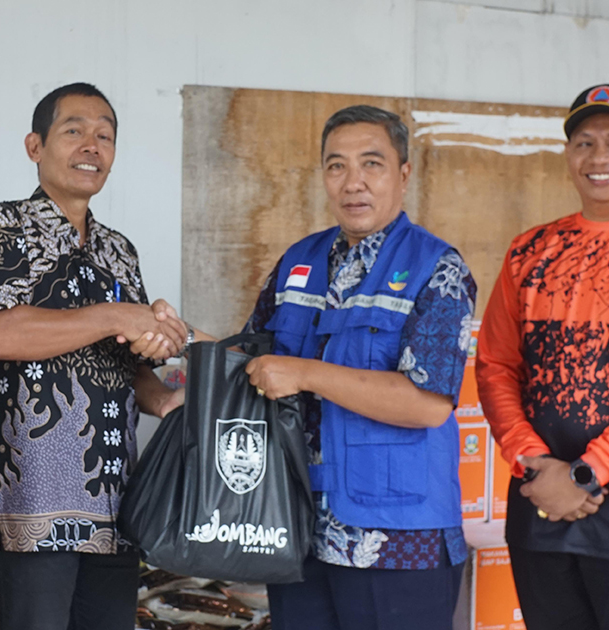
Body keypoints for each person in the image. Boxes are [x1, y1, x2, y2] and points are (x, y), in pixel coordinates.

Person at [182, 105, 474, 630]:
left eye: (371, 164)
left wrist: (306, 373)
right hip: (294, 525)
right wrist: (182, 338)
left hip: (396, 536)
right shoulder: (300, 261)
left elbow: (427, 404)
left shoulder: (437, 268)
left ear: (404, 173)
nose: (352, 182)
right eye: (337, 166)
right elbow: (255, 366)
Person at [0, 82, 186, 630]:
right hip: (31, 504)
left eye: (105, 136)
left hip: (115, 507)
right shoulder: (1, 225)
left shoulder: (119, 250)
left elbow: (129, 369)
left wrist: (169, 399)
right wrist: (116, 315)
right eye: (74, 131)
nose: (92, 146)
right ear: (35, 146)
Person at [477, 84, 609, 630]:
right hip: (540, 505)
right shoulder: (529, 251)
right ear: (568, 156)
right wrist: (531, 461)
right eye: (584, 143)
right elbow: (496, 367)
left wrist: (587, 474)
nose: (598, 157)